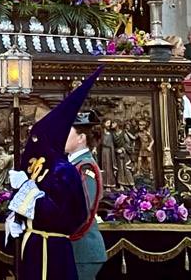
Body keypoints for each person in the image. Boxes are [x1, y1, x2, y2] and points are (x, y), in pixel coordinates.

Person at [6, 68, 102, 280]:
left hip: (71, 247)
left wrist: (30, 195)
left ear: (81, 138)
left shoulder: (76, 168)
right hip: (47, 244)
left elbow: (81, 213)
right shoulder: (59, 165)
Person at [66, 111, 106, 280]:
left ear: (81, 138)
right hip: (75, 249)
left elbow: (83, 210)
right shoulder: (72, 164)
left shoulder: (85, 167)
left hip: (82, 250)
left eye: (68, 132)